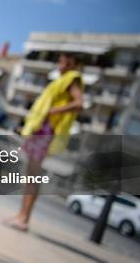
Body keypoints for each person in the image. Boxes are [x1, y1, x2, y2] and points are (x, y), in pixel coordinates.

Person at [5, 53, 84, 231]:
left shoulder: (72, 79)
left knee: (33, 174)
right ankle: (21, 215)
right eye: (60, 61)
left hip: (46, 130)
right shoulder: (62, 80)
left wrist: (53, 111)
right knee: (31, 174)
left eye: (63, 62)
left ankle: (24, 218)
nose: (60, 65)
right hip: (40, 128)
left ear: (73, 63)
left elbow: (79, 103)